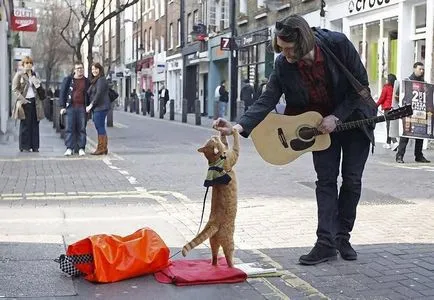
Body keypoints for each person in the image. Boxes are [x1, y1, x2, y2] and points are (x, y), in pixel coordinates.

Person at [213, 15, 377, 265]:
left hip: (354, 120)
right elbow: (267, 99)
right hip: (318, 129)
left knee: (352, 181)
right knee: (325, 182)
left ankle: (342, 237)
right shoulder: (283, 64)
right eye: (280, 48)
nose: (285, 53)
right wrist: (237, 127)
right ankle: (325, 243)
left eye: (289, 48)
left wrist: (337, 116)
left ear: (304, 41)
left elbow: (362, 88)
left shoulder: (338, 44)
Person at [395, 62, 431, 164]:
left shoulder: (424, 84)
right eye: (420, 69)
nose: (422, 71)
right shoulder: (407, 82)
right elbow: (397, 96)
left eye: (423, 69)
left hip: (420, 113)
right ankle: (400, 155)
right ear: (414, 69)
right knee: (405, 134)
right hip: (408, 113)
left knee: (420, 135)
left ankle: (418, 155)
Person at [12, 56, 45, 152]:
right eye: (26, 63)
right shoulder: (19, 75)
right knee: (25, 125)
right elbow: (14, 89)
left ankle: (35, 146)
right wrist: (22, 99)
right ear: (23, 65)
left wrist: (35, 81)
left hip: (35, 102)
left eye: (30, 63)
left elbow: (40, 89)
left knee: (35, 124)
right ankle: (24, 146)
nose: (29, 65)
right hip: (24, 103)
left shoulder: (35, 75)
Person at [59, 61, 90, 156]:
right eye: (78, 68)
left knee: (81, 128)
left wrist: (89, 106)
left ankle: (81, 148)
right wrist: (62, 106)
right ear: (74, 70)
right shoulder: (68, 80)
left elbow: (89, 94)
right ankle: (69, 148)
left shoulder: (86, 81)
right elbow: (63, 93)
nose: (80, 70)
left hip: (82, 107)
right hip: (70, 107)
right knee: (69, 128)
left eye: (81, 68)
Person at [86, 62, 111, 155]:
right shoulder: (95, 80)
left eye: (96, 69)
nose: (94, 71)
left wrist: (91, 105)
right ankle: (103, 147)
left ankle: (101, 148)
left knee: (100, 126)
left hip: (101, 107)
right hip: (99, 107)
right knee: (99, 126)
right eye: (92, 69)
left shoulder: (101, 80)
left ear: (100, 69)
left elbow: (99, 94)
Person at [376, 74, 399, 150]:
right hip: (394, 109)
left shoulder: (386, 88)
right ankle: (388, 143)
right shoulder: (396, 88)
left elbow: (382, 98)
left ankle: (395, 142)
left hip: (387, 109)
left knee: (389, 127)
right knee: (390, 126)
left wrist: (375, 106)